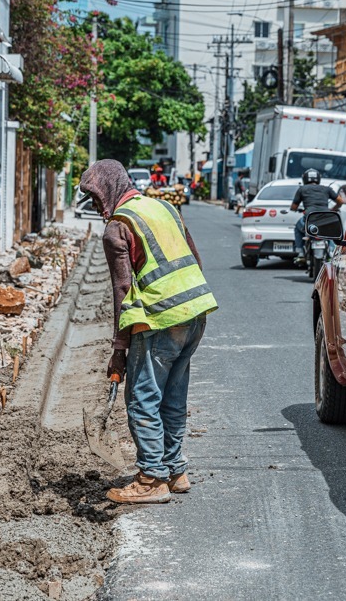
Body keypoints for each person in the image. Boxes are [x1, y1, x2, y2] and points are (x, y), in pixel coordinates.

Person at [79, 160, 217, 504]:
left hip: (161, 320)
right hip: (195, 312)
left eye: (96, 199)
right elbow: (195, 259)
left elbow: (122, 292)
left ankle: (151, 478)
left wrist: (118, 350)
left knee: (142, 400)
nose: (97, 208)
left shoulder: (118, 227)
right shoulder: (164, 207)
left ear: (109, 188)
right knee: (172, 396)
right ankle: (174, 470)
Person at [290, 168, 343, 260]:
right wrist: (333, 209)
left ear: (305, 179)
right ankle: (331, 251)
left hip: (309, 219)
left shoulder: (302, 189)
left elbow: (294, 207)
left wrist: (296, 209)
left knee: (297, 228)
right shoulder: (326, 189)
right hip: (326, 219)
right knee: (330, 233)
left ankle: (300, 252)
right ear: (318, 178)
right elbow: (340, 201)